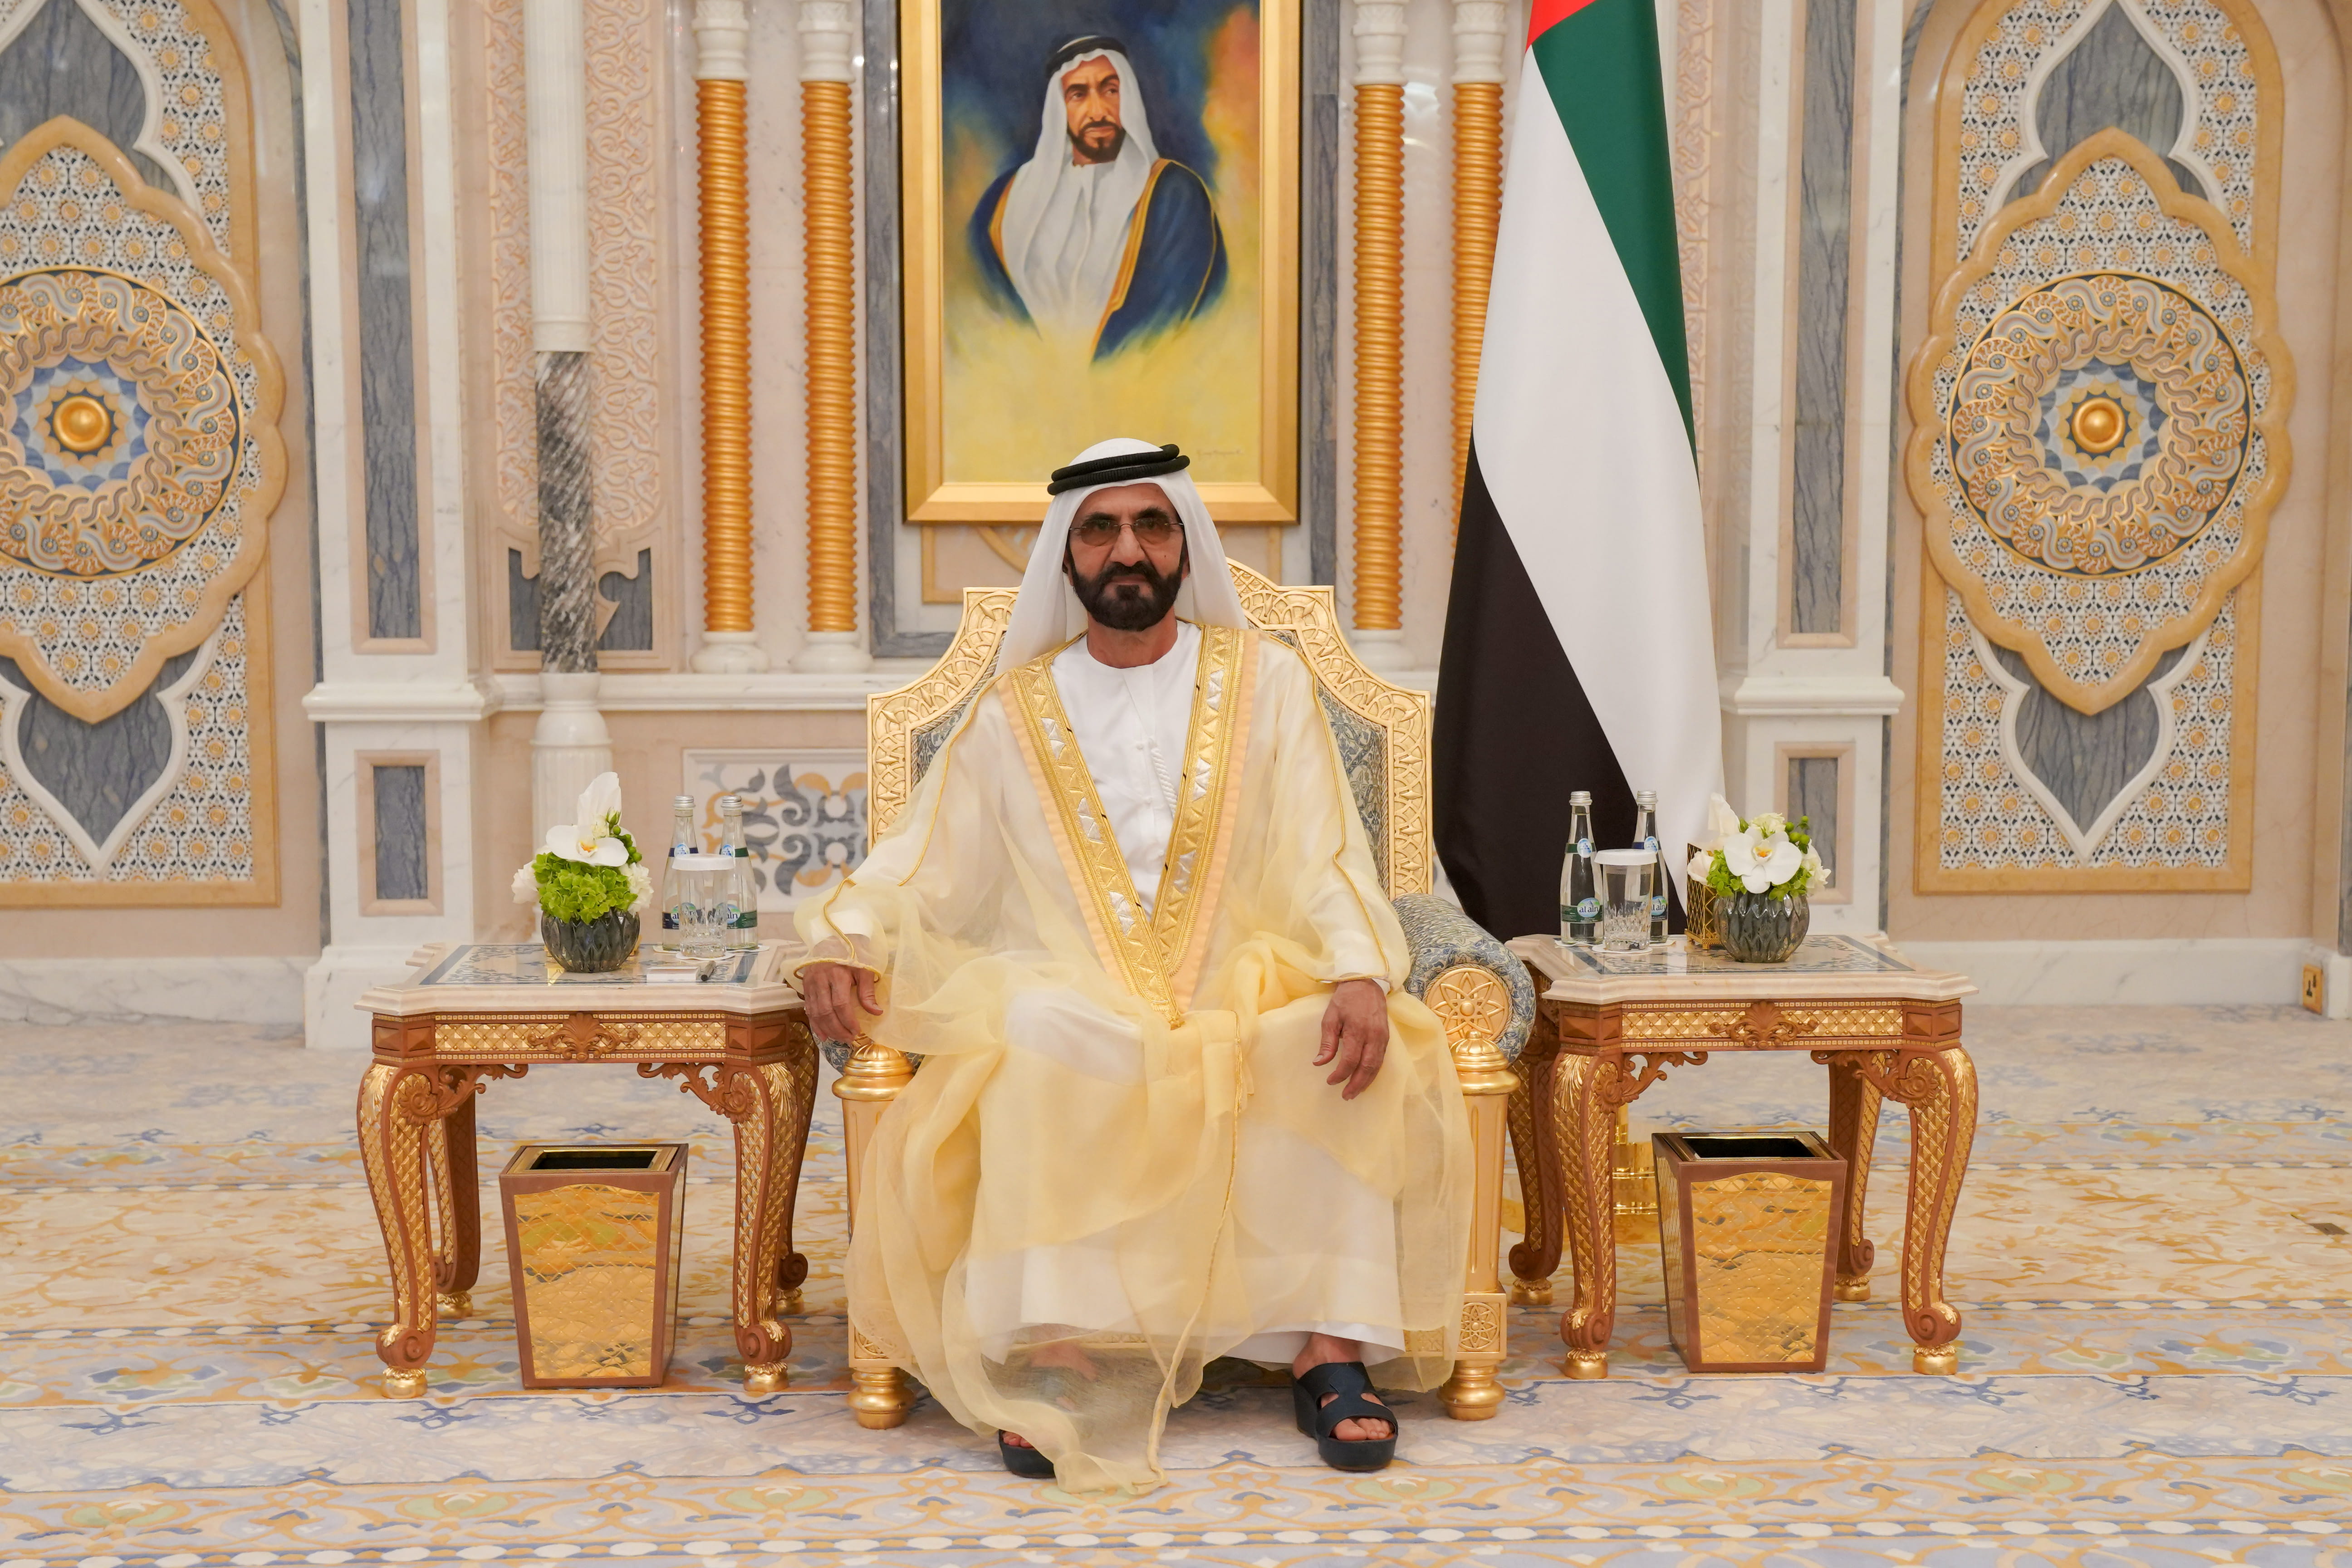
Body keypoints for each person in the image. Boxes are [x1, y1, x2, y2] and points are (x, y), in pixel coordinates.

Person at [795, 438, 1471, 1494]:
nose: (1127, 550)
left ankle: (1327, 1346)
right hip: (1079, 991)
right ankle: (1060, 1347)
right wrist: (848, 933)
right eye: (1100, 529)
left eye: (1151, 525)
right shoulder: (1014, 712)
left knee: (1322, 1037)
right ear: (1065, 557)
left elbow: (1324, 850)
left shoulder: (1269, 683)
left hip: (1244, 979)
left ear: (1184, 542)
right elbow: (923, 862)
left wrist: (1354, 970)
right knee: (1027, 1034)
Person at [970, 36, 1227, 359]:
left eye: (1110, 91)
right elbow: (991, 308)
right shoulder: (1005, 202)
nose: (1098, 111)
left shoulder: (1175, 193)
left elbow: (1165, 317)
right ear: (1059, 109)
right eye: (1078, 95)